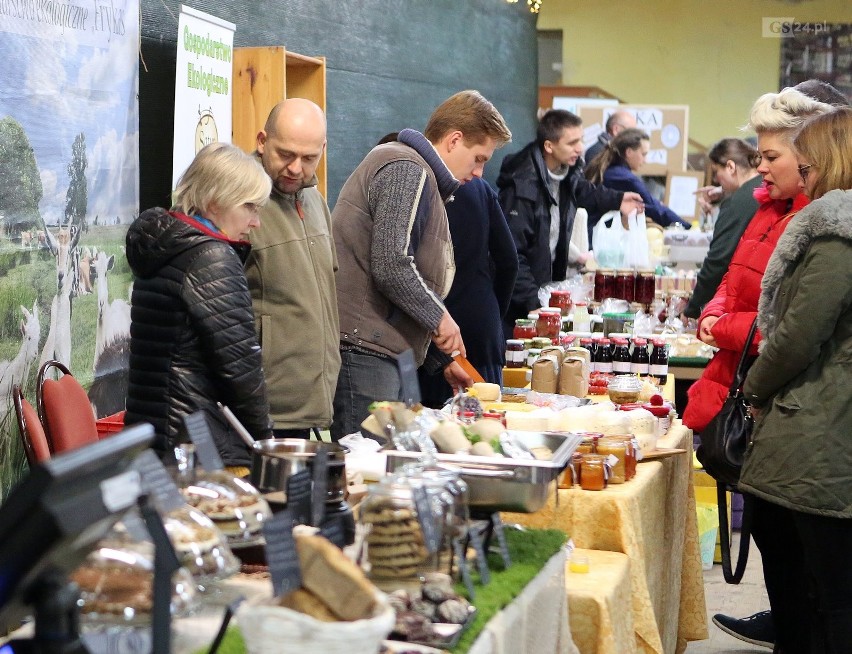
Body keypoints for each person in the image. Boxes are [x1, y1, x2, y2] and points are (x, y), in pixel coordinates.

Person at [680, 88, 833, 650]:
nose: (760, 167)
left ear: (810, 156)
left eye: (772, 157)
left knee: (793, 540)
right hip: (749, 389)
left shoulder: (818, 225)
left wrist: (719, 326)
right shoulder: (766, 209)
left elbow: (788, 326)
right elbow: (732, 284)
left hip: (781, 399)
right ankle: (785, 622)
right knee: (771, 530)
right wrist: (719, 310)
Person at [331, 90, 512, 440]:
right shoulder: (406, 168)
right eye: (478, 159)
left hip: (384, 351)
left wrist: (441, 362)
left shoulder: (424, 176)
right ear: (454, 140)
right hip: (364, 352)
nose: (479, 173)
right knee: (370, 473)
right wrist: (440, 318)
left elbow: (398, 296)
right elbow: (391, 264)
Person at [738, 106, 852, 654]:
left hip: (821, 425)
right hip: (823, 420)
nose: (797, 181)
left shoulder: (836, 237)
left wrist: (753, 388)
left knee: (823, 589)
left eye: (803, 169)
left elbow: (800, 335)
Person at [125, 142, 273, 469]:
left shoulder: (164, 246)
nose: (256, 222)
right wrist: (265, 441)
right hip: (194, 441)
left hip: (151, 433)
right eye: (249, 206)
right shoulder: (211, 257)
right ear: (214, 201)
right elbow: (240, 367)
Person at [496, 109, 643, 334]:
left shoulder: (567, 171)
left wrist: (618, 199)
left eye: (581, 140)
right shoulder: (522, 186)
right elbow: (513, 253)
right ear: (549, 146)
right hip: (518, 305)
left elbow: (583, 191)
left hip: (546, 289)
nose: (580, 148)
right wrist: (532, 304)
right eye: (572, 142)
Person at [245, 98, 339, 440]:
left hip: (312, 401)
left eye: (309, 158)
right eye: (285, 154)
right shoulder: (238, 203)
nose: (296, 168)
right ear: (261, 141)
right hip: (264, 408)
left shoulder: (315, 201)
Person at [417, 176, 518, 407]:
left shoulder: (421, 187)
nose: (478, 171)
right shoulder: (480, 187)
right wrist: (492, 311)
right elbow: (509, 261)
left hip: (434, 338)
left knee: (436, 433)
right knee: (488, 426)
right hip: (481, 328)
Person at [682, 139, 761, 319]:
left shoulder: (738, 202)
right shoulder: (762, 187)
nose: (717, 179)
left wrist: (693, 308)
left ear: (731, 167)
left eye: (717, 172)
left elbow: (718, 260)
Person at [585, 128, 693, 235]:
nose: (645, 160)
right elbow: (654, 208)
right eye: (644, 154)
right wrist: (687, 228)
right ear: (629, 152)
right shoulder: (624, 177)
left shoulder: (612, 170)